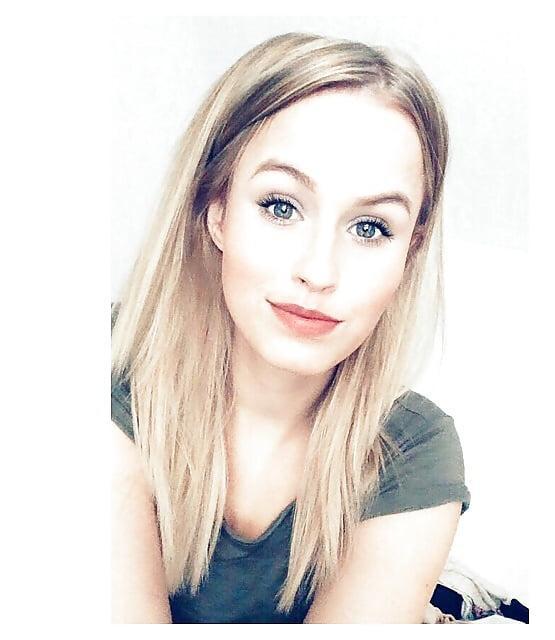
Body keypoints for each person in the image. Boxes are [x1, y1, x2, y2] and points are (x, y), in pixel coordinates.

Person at [111, 31, 471, 624]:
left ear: (409, 253)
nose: (319, 272)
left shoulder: (414, 452)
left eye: (371, 228)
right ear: (217, 211)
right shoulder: (106, 371)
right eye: (281, 206)